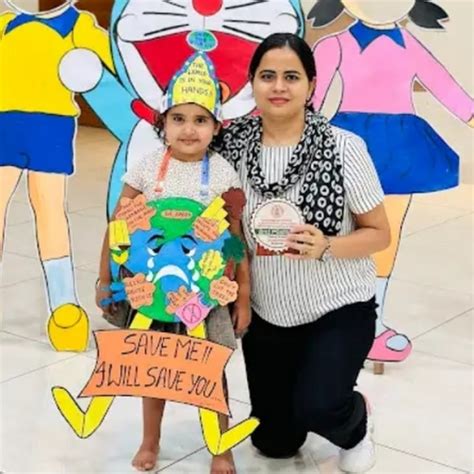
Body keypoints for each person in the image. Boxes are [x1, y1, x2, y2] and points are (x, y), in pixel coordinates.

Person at [217, 33, 391, 473]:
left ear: (312, 85)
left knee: (320, 407)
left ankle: (356, 419)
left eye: (291, 77)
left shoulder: (343, 147)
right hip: (268, 311)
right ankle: (309, 397)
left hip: (337, 305)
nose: (279, 86)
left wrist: (328, 245)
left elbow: (379, 234)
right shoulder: (231, 148)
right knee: (275, 444)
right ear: (252, 82)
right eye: (267, 76)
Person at [95, 53, 251, 474]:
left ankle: (219, 445)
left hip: (204, 294)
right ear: (162, 123)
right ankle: (151, 439)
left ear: (216, 127)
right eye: (178, 118)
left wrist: (242, 294)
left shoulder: (222, 174)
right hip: (153, 292)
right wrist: (104, 277)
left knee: (209, 370)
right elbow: (118, 225)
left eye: (200, 120)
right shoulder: (146, 169)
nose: (188, 129)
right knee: (155, 367)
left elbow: (235, 240)